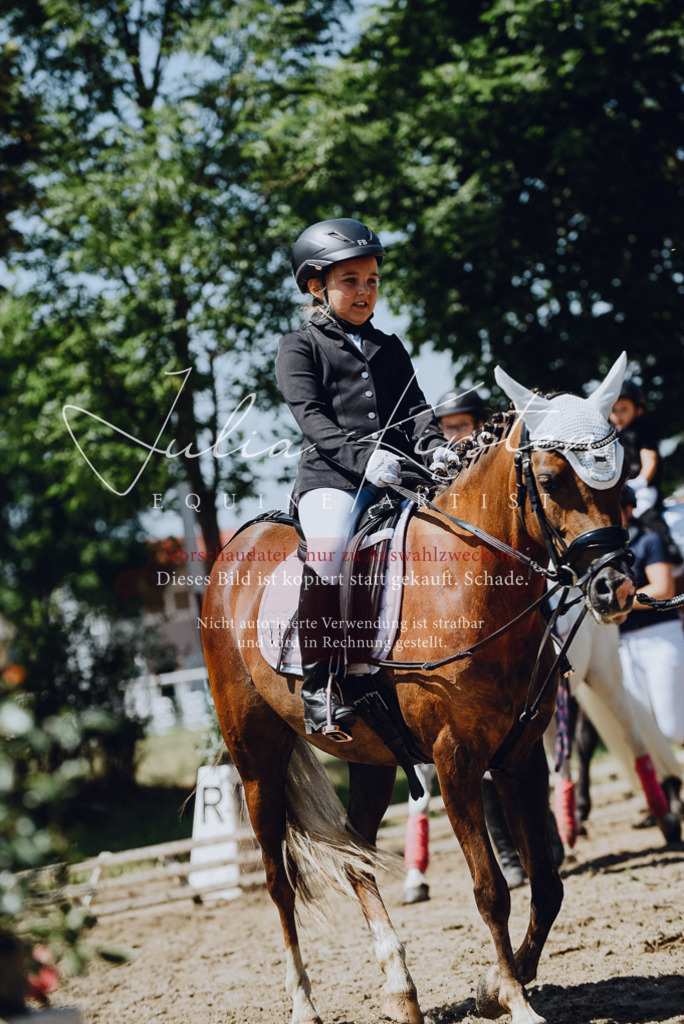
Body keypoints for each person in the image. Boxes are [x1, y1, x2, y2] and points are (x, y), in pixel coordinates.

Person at [275, 218, 456, 738]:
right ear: (317, 286)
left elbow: (416, 410)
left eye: (372, 280)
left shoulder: (389, 346)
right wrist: (362, 459)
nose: (364, 291)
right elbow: (312, 419)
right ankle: (321, 685)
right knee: (329, 552)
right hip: (332, 479)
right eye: (350, 280)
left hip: (399, 475)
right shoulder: (299, 346)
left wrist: (436, 450)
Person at [619, 486, 684, 749]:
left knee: (673, 728)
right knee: (644, 727)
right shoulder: (605, 554)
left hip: (661, 637)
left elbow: (664, 589)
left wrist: (618, 603)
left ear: (629, 509)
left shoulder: (650, 541)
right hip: (624, 645)